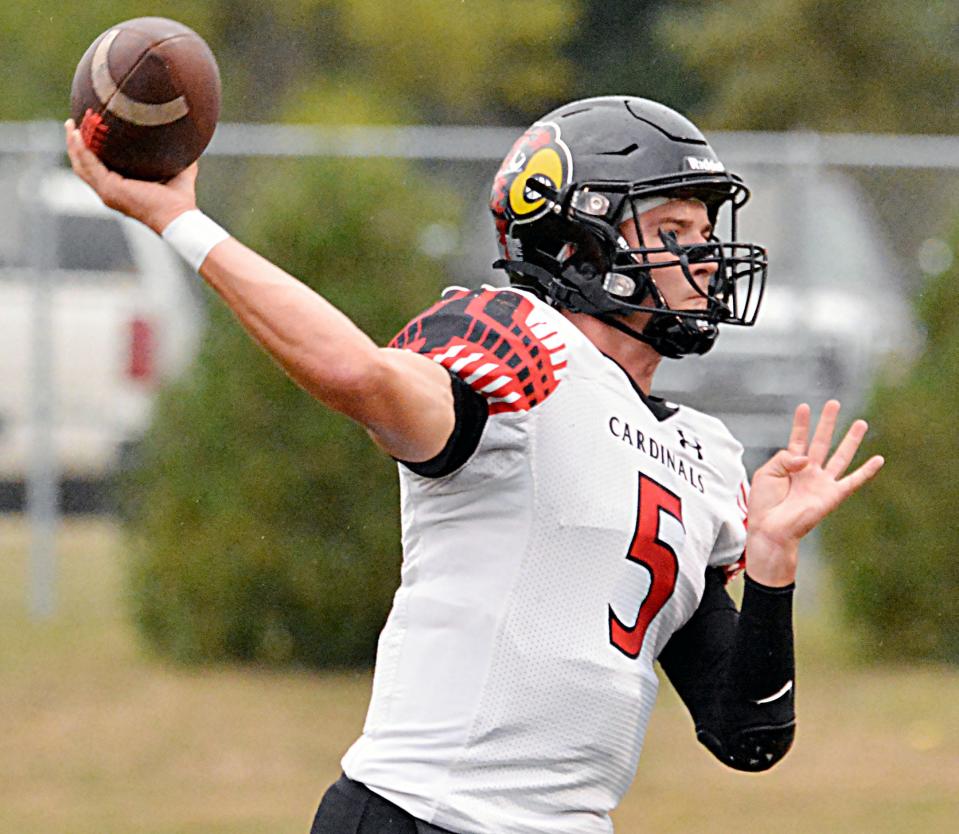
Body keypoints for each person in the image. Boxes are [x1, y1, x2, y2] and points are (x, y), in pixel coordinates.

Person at [65, 96, 884, 834]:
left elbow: (747, 738)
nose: (703, 259)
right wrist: (182, 221)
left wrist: (772, 566)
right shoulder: (522, 354)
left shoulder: (702, 455)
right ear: (574, 241)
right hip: (419, 813)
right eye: (671, 232)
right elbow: (356, 373)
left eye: (704, 236)